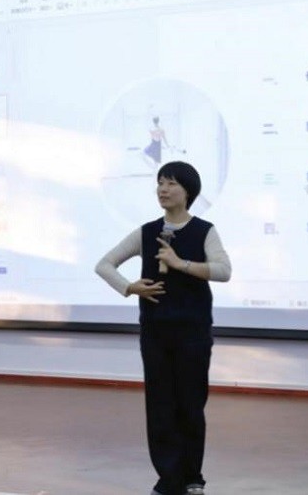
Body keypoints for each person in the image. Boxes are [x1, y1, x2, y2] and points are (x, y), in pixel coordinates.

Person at [95, 161, 232, 495]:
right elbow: (104, 264)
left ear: (188, 191)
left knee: (190, 405)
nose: (163, 189)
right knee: (160, 407)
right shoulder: (146, 232)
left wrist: (179, 264)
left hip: (193, 333)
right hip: (156, 332)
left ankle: (192, 477)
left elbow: (223, 271)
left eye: (171, 183)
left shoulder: (204, 230)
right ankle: (168, 478)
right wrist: (130, 287)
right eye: (160, 183)